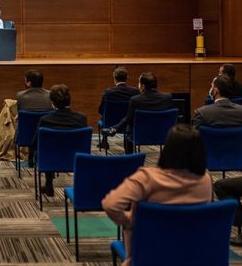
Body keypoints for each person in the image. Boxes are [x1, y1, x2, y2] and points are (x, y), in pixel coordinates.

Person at [102, 124, 213, 266]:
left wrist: (130, 220)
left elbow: (110, 204)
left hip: (150, 254)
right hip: (193, 254)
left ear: (168, 149)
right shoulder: (206, 179)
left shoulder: (147, 178)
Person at [35, 84, 87, 196]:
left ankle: (49, 183)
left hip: (49, 161)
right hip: (76, 160)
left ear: (52, 102)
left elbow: (35, 143)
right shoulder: (81, 119)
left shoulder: (45, 120)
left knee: (48, 149)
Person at [103, 72, 173, 154]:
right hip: (162, 135)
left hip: (140, 135)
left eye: (139, 83)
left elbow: (128, 119)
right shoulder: (167, 98)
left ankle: (129, 159)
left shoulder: (136, 100)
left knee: (128, 131)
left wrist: (115, 128)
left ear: (143, 86)